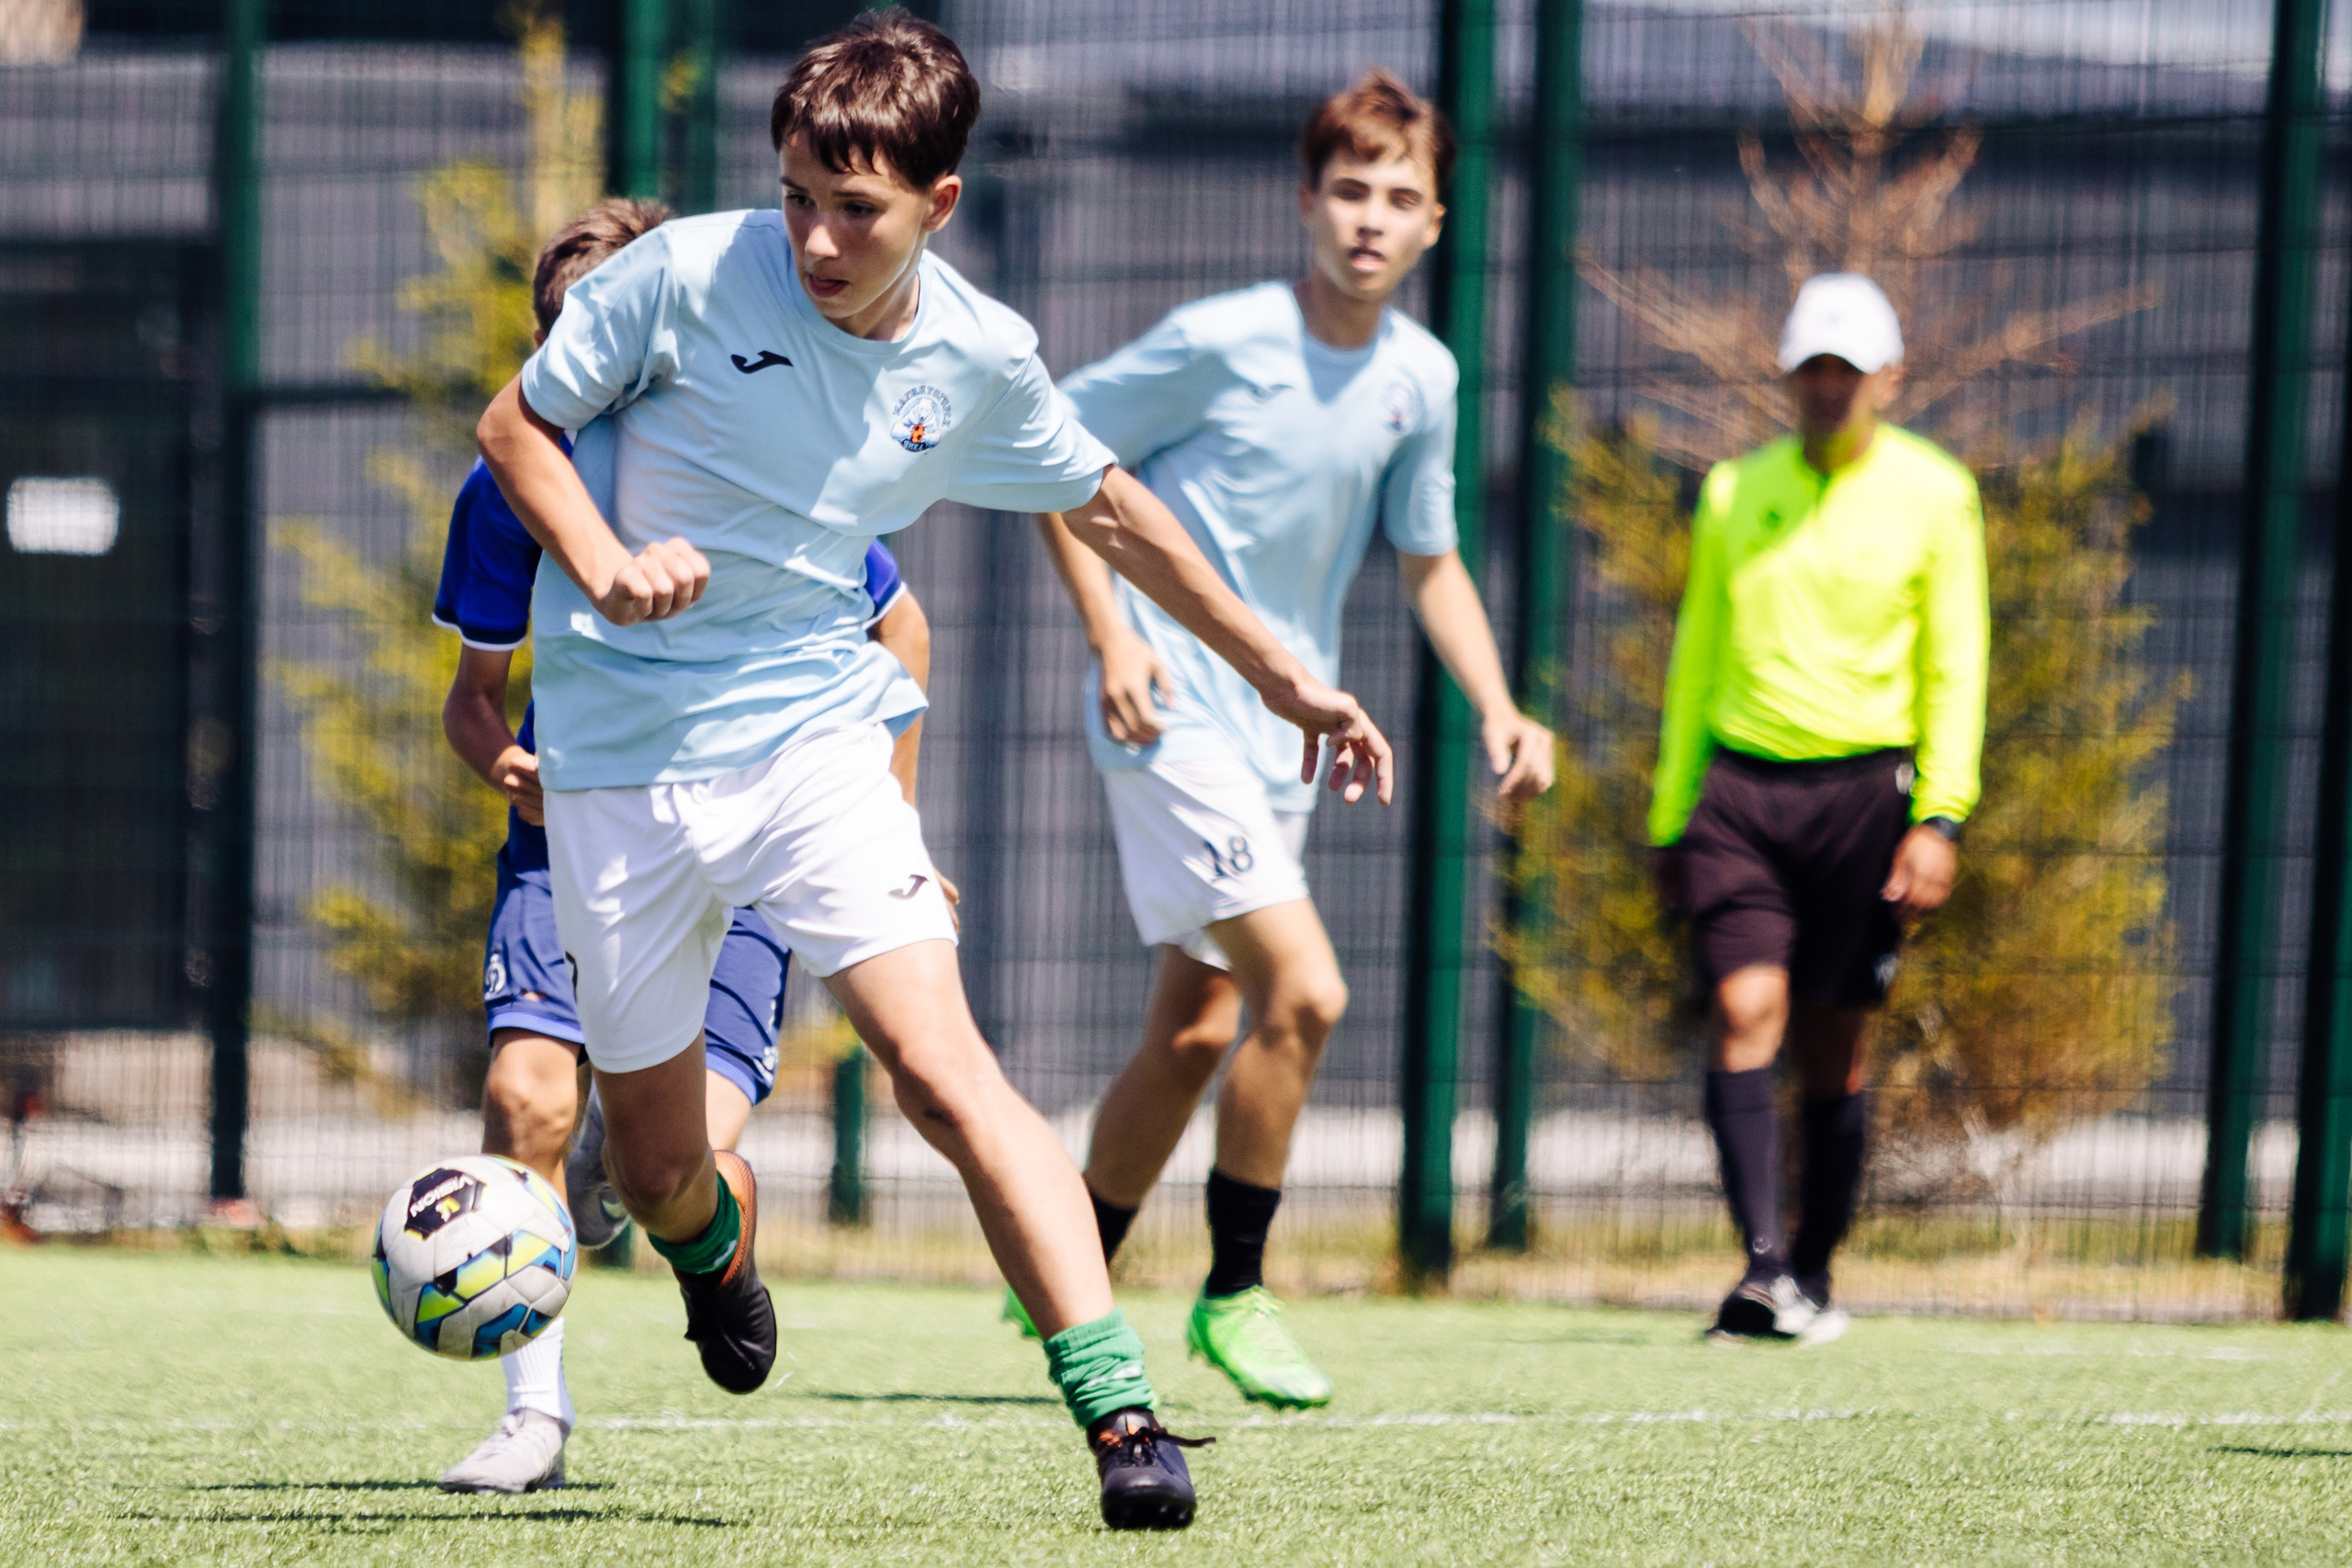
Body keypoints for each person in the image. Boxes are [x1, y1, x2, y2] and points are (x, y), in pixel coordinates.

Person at [471, 12, 1393, 1530]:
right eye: (798, 198)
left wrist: (1282, 671)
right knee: (651, 1171)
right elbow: (517, 426)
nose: (818, 238)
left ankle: (1118, 1408)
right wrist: (607, 559)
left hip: (815, 744)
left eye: (859, 210)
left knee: (944, 1071)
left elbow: (1110, 505)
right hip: (621, 770)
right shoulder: (684, 277)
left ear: (939, 206)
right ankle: (717, 1258)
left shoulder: (975, 358)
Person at [1023, 68, 1555, 1411]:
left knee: (1198, 1027)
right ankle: (1235, 1290)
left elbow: (1430, 560)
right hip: (1172, 716)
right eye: (1350, 191)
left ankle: (1066, 1270)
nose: (1371, 219)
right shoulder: (1224, 336)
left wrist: (1498, 704)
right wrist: (1116, 636)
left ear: (1435, 224)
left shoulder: (1423, 378)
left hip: (1287, 734)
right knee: (1305, 993)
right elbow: (1053, 454)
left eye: (1400, 198)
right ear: (1305, 202)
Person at [431, 197, 944, 1494]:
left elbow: (903, 633)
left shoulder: (747, 460)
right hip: (583, 833)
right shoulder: (508, 492)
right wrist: (506, 759)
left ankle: (706, 1253)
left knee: (675, 1172)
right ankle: (533, 1417)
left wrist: (894, 817)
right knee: (525, 1102)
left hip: (751, 827)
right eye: (568, 340)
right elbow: (474, 700)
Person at [1649, 272, 1988, 1346]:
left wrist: (1939, 818)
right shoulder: (1730, 492)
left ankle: (1815, 1268)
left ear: (1888, 377)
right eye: (1812, 369)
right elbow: (1696, 655)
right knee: (1745, 1012)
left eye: (1849, 369)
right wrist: (1672, 814)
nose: (1829, 387)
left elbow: (1956, 668)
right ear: (1788, 378)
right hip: (1740, 794)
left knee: (1834, 1048)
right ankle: (1759, 1271)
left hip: (1866, 798)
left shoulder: (1936, 494)